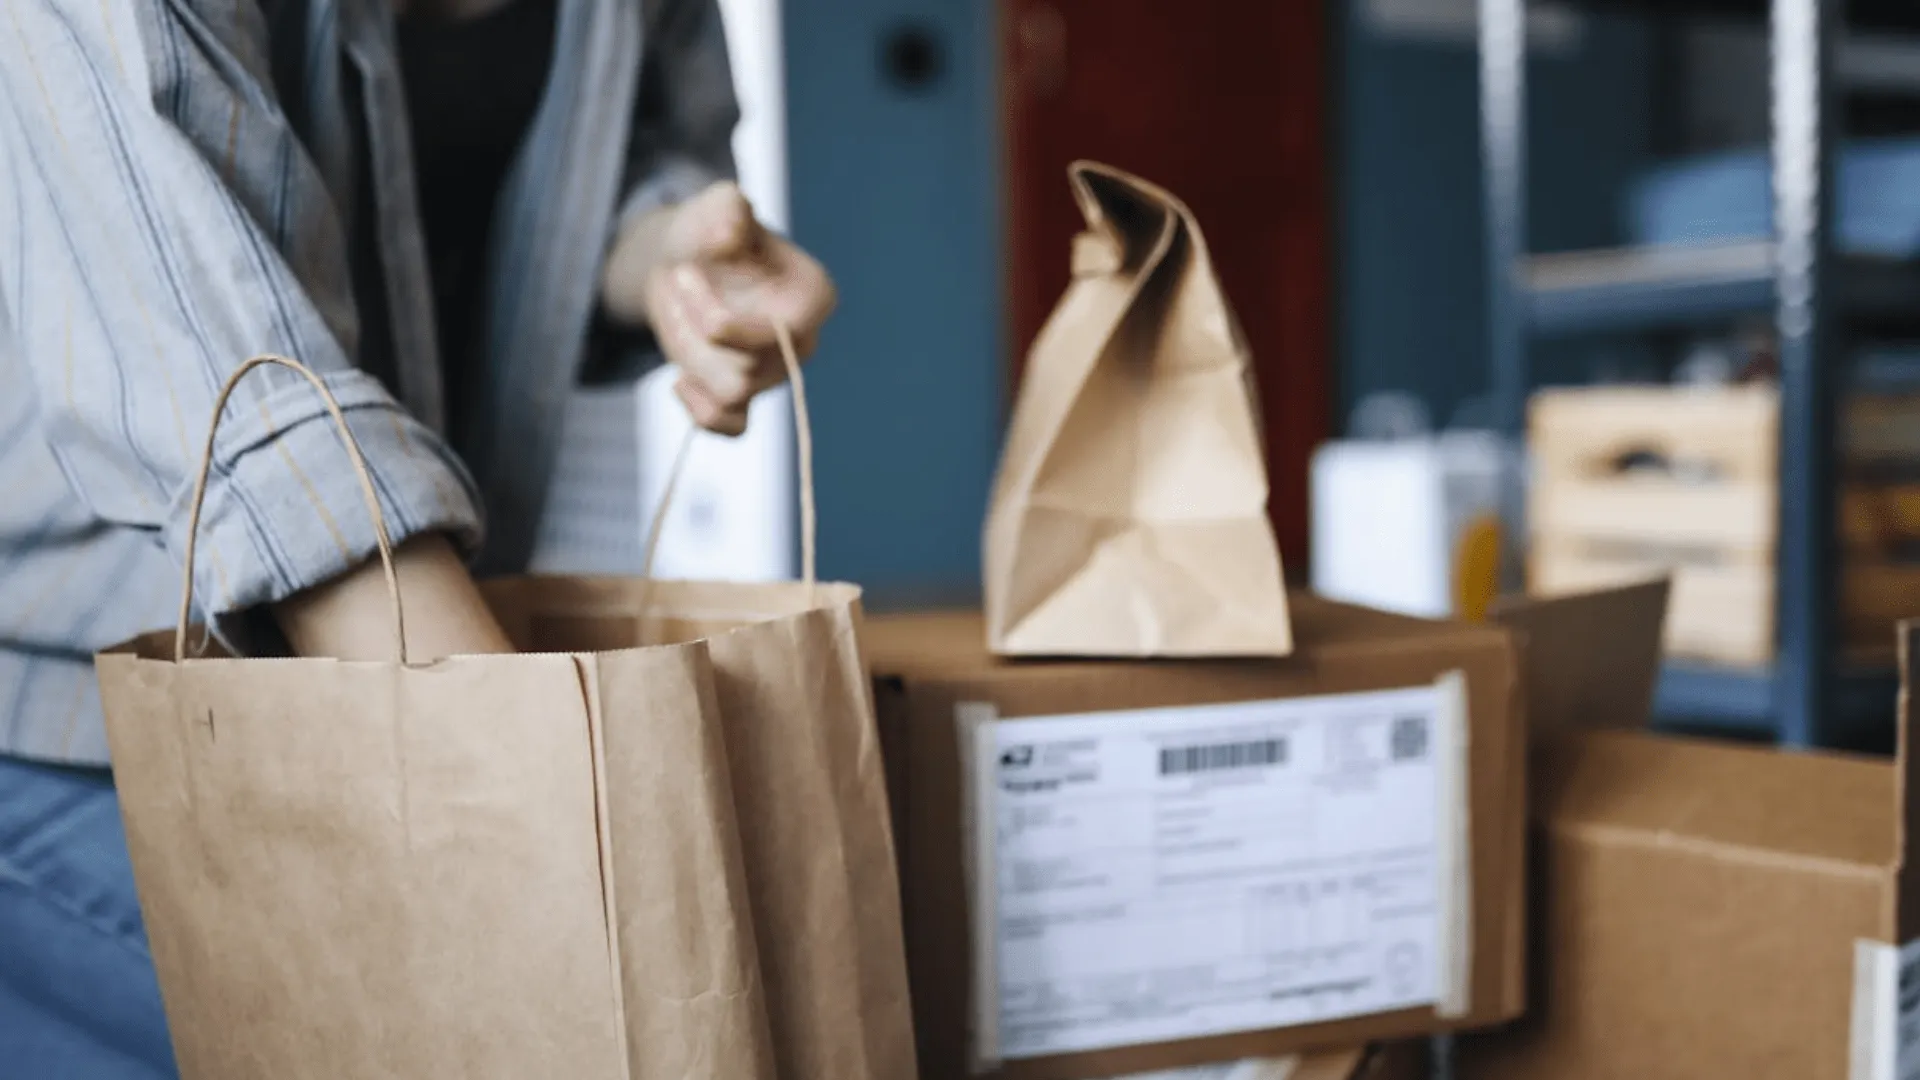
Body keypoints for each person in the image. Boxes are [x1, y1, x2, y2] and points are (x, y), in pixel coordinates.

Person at [0, 0, 836, 1074]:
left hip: (377, 701)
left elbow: (622, 152)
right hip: (74, 713)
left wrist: (669, 256)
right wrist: (541, 834)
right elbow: (226, 369)